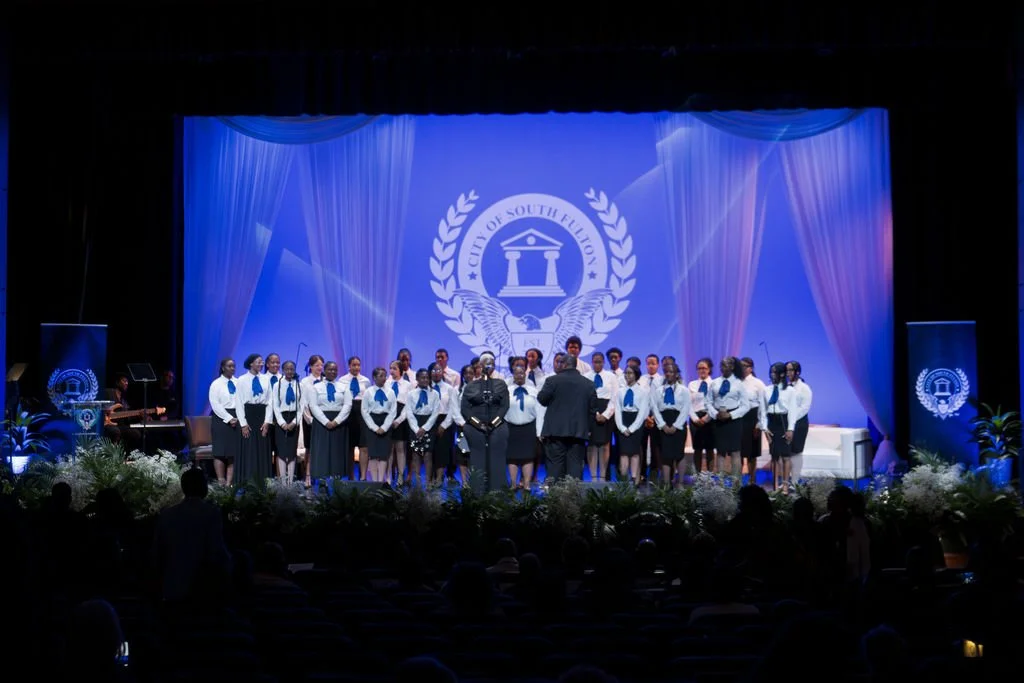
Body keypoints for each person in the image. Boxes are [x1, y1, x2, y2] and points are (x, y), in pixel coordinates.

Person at [537, 354, 597, 481]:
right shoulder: (589, 384)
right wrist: (588, 428)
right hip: (578, 432)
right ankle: (573, 498)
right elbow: (592, 410)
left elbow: (542, 399)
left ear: (563, 364)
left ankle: (554, 498)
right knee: (575, 466)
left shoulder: (552, 380)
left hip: (555, 432)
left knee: (555, 467)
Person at [460, 351, 510, 492]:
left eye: (492, 363)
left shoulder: (501, 384)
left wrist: (493, 423)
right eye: (486, 363)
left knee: (497, 458)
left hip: (497, 425)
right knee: (477, 459)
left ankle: (497, 491)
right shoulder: (471, 386)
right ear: (480, 366)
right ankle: (476, 491)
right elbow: (465, 409)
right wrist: (479, 424)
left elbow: (504, 406)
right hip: (475, 427)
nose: (489, 365)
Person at [705, 356, 750, 478]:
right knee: (720, 452)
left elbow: (746, 405)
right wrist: (715, 414)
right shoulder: (715, 383)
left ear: (732, 366)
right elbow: (708, 402)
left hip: (733, 420)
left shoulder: (738, 383)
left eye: (725, 365)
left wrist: (731, 415)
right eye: (721, 364)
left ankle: (736, 483)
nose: (722, 367)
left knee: (735, 451)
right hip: (718, 419)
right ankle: (720, 484)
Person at [309, 360, 353, 484]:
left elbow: (347, 405)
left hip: (339, 422)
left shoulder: (343, 387)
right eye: (329, 369)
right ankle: (322, 482)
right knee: (322, 452)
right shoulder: (316, 387)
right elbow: (313, 406)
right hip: (321, 422)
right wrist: (325, 421)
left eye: (335, 370)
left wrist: (337, 421)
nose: (332, 372)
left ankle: (337, 481)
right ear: (325, 371)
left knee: (337, 453)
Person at [236, 353, 273, 485]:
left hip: (262, 415)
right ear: (251, 363)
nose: (261, 364)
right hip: (248, 415)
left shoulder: (265, 379)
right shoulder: (241, 380)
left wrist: (267, 421)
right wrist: (243, 424)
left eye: (262, 362)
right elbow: (239, 403)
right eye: (258, 362)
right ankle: (248, 480)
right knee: (249, 448)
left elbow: (270, 401)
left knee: (262, 448)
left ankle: (263, 481)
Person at [404, 368, 441, 487]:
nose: (425, 380)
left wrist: (425, 428)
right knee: (415, 453)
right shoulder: (411, 394)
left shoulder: (434, 394)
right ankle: (418, 481)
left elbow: (435, 412)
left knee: (428, 454)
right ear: (417, 379)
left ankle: (428, 481)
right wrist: (416, 428)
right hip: (415, 423)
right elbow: (409, 412)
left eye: (427, 378)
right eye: (422, 378)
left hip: (429, 424)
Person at [361, 367, 398, 483]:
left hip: (385, 421)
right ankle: (374, 481)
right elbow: (364, 410)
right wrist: (374, 427)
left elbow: (393, 411)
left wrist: (384, 427)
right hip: (372, 422)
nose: (384, 378)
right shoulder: (368, 392)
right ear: (374, 377)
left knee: (383, 454)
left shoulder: (390, 392)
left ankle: (381, 480)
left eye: (385, 375)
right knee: (373, 453)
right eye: (381, 376)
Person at [208, 358, 241, 485]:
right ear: (223, 368)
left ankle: (229, 483)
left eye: (234, 366)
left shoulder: (238, 383)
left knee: (233, 452)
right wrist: (228, 418)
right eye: (229, 366)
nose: (232, 368)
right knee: (220, 452)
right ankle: (221, 481)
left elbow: (241, 400)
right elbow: (215, 404)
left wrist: (238, 417)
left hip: (237, 416)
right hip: (221, 418)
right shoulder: (216, 384)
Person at [614, 365, 649, 484]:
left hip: (636, 423)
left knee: (634, 452)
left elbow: (642, 412)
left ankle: (634, 478)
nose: (627, 375)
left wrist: (633, 428)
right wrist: (622, 427)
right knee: (623, 452)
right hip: (623, 420)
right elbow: (618, 410)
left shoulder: (642, 392)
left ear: (636, 375)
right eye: (626, 373)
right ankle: (624, 479)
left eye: (630, 373)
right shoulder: (620, 391)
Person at [272, 360, 302, 483]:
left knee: (291, 451)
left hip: (294, 419)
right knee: (282, 451)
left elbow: (301, 405)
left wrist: (294, 422)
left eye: (292, 369)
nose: (290, 371)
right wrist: (282, 423)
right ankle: (283, 482)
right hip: (281, 420)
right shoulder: (277, 385)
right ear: (283, 370)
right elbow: (275, 405)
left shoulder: (298, 384)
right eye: (287, 369)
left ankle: (291, 481)